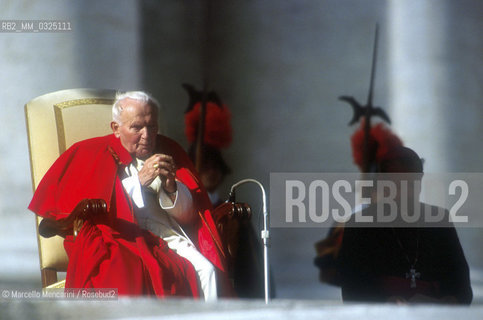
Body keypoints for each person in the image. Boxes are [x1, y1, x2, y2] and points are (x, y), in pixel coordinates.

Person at [29, 91, 232, 300]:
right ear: (116, 128)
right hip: (121, 237)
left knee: (207, 271)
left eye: (152, 126)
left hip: (167, 237)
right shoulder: (90, 153)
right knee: (132, 274)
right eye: (137, 127)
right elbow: (95, 212)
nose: (147, 135)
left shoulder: (170, 150)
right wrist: (139, 182)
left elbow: (191, 217)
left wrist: (172, 189)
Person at [337, 146, 473, 304]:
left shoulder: (438, 219)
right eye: (398, 185)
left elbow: (462, 288)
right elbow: (352, 290)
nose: (405, 193)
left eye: (411, 185)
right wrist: (388, 301)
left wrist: (440, 302)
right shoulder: (360, 224)